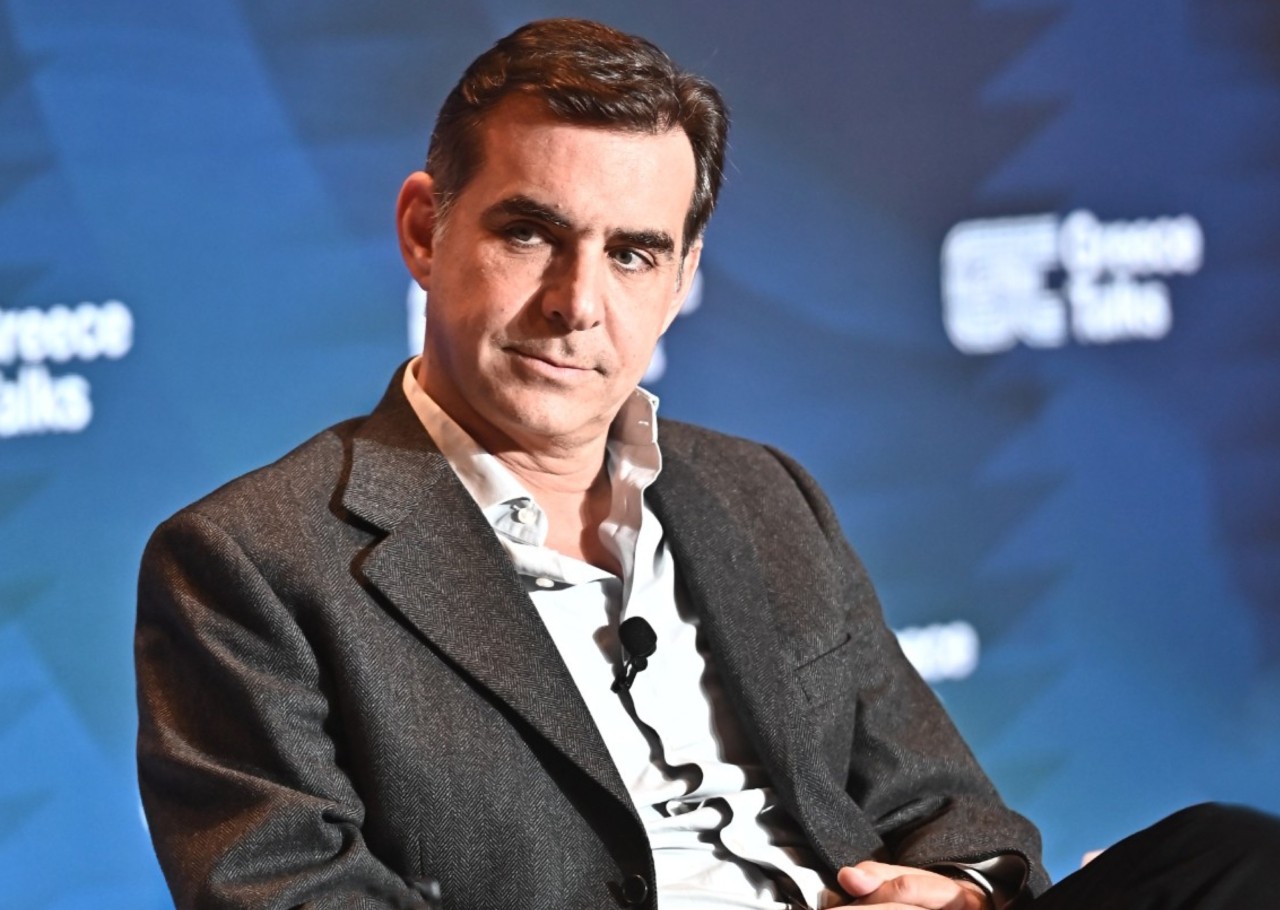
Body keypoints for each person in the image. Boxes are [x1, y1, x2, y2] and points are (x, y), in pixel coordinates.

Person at [136, 17, 1279, 910]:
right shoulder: (250, 563)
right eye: (529, 232)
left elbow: (952, 812)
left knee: (1232, 857)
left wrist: (960, 888)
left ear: (682, 277)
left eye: (632, 254)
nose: (576, 303)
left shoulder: (760, 494)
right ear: (425, 230)